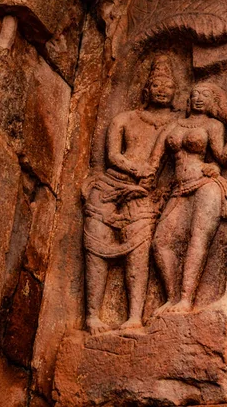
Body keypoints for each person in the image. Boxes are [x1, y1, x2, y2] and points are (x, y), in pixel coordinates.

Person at [82, 55, 178, 334]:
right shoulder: (124, 119)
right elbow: (113, 155)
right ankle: (92, 316)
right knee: (95, 249)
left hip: (143, 196)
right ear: (146, 90)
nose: (162, 90)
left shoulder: (178, 124)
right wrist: (137, 169)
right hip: (109, 188)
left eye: (168, 86)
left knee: (138, 252)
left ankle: (134, 316)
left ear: (175, 93)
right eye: (157, 85)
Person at [149, 81, 227, 315]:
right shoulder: (172, 126)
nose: (199, 98)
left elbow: (223, 157)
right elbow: (154, 163)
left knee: (197, 239)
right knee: (160, 243)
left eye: (205, 95)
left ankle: (186, 299)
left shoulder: (212, 125)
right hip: (178, 188)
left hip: (205, 185)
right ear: (188, 99)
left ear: (212, 102)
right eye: (195, 94)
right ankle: (171, 298)